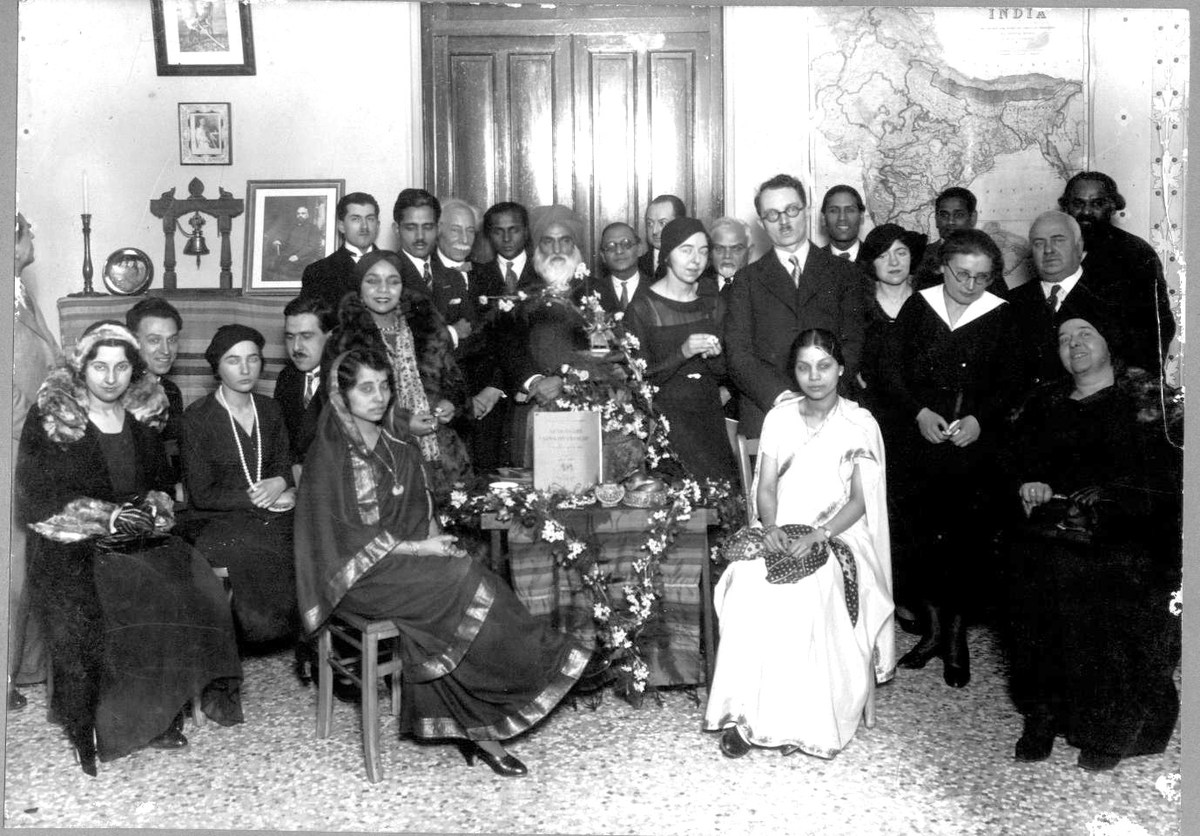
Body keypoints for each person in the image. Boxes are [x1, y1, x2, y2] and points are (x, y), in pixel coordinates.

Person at [294, 347, 594, 777]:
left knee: (463, 576)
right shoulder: (332, 453)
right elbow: (347, 538)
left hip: (403, 564)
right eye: (366, 388)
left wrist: (435, 538)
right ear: (342, 396)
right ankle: (542, 660)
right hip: (355, 576)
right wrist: (423, 550)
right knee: (461, 578)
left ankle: (477, 730)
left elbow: (420, 509)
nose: (378, 397)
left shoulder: (398, 443)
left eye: (384, 386)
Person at [16, 322, 242, 775]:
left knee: (185, 587)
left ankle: (157, 713)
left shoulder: (140, 422)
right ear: (82, 368)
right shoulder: (54, 419)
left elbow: (159, 484)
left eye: (121, 367)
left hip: (133, 536)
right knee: (121, 593)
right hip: (71, 543)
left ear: (133, 372)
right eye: (100, 366)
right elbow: (37, 500)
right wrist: (107, 517)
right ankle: (100, 724)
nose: (110, 377)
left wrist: (148, 510)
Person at [1003, 304, 1181, 771]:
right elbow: (1015, 460)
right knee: (1035, 598)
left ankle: (1107, 731)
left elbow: (1169, 479)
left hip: (1127, 541)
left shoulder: (1148, 400)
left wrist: (1114, 495)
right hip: (1053, 536)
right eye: (1064, 339)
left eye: (1085, 334)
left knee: (1107, 602)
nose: (1074, 344)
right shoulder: (1044, 402)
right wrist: (1029, 481)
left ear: (1108, 343)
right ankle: (1042, 716)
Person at [704, 329, 894, 759]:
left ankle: (798, 720)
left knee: (809, 587)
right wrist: (770, 526)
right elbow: (765, 485)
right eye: (804, 367)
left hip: (839, 533)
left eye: (824, 366)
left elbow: (862, 501)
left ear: (840, 369)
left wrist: (819, 533)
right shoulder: (779, 418)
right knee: (748, 580)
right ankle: (742, 716)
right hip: (780, 527)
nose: (815, 376)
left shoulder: (858, 424)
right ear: (794, 371)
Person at [878, 229, 1016, 688]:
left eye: (981, 277)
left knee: (963, 543)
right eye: (962, 274)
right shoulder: (919, 307)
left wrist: (982, 418)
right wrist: (918, 412)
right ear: (942, 266)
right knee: (920, 539)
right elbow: (890, 371)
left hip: (971, 446)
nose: (971, 285)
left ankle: (955, 639)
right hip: (919, 440)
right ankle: (933, 632)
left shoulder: (1000, 315)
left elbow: (1011, 382)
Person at [180, 325, 299, 646]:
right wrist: (259, 499)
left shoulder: (270, 409)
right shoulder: (197, 418)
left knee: (309, 535)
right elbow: (202, 494)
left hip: (269, 511)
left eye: (253, 359)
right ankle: (257, 633)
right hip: (216, 518)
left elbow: (283, 465)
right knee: (252, 546)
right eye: (233, 361)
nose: (245, 369)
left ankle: (305, 635)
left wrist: (281, 481)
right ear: (217, 367)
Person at [724, 173, 866, 439]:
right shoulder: (746, 280)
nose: (784, 221)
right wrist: (783, 398)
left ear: (806, 210)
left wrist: (821, 396)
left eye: (791, 210)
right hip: (767, 415)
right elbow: (738, 354)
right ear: (761, 222)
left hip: (832, 413)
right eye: (773, 215)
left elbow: (853, 343)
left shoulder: (844, 273)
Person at [323, 250, 472, 498]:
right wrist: (403, 424)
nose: (384, 290)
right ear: (359, 287)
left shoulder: (427, 327)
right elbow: (339, 410)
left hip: (443, 455)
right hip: (380, 458)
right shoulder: (344, 340)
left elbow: (454, 382)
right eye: (373, 281)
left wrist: (451, 404)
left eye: (393, 282)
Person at [623, 217, 737, 484]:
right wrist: (682, 352)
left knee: (719, 509)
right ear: (666, 256)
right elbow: (637, 381)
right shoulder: (642, 308)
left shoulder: (713, 304)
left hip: (708, 420)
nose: (695, 260)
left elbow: (725, 373)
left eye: (703, 251)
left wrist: (715, 355)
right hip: (666, 424)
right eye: (686, 250)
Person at [854, 223, 927, 622]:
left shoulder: (931, 302)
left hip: (922, 418)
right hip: (876, 417)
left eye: (900, 252)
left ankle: (917, 595)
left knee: (919, 510)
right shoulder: (861, 305)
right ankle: (888, 595)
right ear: (872, 262)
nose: (893, 262)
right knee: (882, 506)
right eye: (883, 255)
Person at [10, 211, 61, 709]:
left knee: (30, 563)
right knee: (13, 567)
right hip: (14, 447)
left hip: (36, 441)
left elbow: (51, 362)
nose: (33, 236)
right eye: (28, 230)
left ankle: (23, 668)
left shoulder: (22, 294)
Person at [1058, 171, 1175, 378]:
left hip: (1118, 380)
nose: (1086, 211)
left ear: (1112, 207)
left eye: (1097, 204)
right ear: (1066, 206)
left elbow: (1159, 324)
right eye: (1078, 203)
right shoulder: (1053, 250)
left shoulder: (1136, 253)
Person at [393, 189, 478, 349]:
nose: (420, 237)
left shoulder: (453, 276)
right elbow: (401, 342)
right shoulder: (388, 275)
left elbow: (472, 337)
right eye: (411, 228)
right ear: (396, 229)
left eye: (427, 227)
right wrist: (452, 333)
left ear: (438, 229)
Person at [275, 295, 335, 465]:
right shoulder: (286, 378)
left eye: (306, 336)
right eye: (290, 337)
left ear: (330, 337)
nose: (296, 347)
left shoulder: (347, 378)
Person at [300, 192, 381, 311]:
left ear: (378, 225)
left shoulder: (396, 265)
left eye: (370, 219)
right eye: (356, 219)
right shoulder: (318, 272)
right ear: (341, 226)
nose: (364, 226)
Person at [125, 297, 185, 445]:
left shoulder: (171, 391)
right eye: (154, 340)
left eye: (171, 340)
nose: (166, 351)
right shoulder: (117, 388)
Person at [913, 187, 977, 290]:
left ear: (972, 218)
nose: (950, 221)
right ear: (936, 219)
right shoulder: (921, 256)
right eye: (944, 215)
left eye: (959, 215)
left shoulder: (985, 256)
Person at [592, 222, 646, 313]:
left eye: (626, 244)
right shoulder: (592, 293)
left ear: (639, 249)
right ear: (603, 256)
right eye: (611, 246)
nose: (619, 251)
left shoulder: (658, 289)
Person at [271, 205, 325, 282]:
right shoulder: (292, 227)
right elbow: (286, 241)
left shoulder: (313, 228)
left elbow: (311, 246)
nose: (300, 215)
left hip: (305, 257)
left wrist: (298, 256)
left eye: (303, 213)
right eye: (298, 213)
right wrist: (279, 241)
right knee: (276, 267)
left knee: (286, 271)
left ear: (307, 215)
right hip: (289, 255)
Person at [638, 194, 686, 277]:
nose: (654, 231)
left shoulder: (693, 264)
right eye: (650, 223)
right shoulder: (636, 266)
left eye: (662, 223)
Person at [820, 185, 866, 261]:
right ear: (823, 218)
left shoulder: (876, 260)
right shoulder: (811, 262)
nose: (842, 218)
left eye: (850, 210)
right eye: (834, 211)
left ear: (861, 217)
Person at [708, 216, 751, 296]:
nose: (727, 256)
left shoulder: (762, 289)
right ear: (710, 252)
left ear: (750, 252)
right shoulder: (696, 287)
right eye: (719, 248)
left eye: (736, 249)